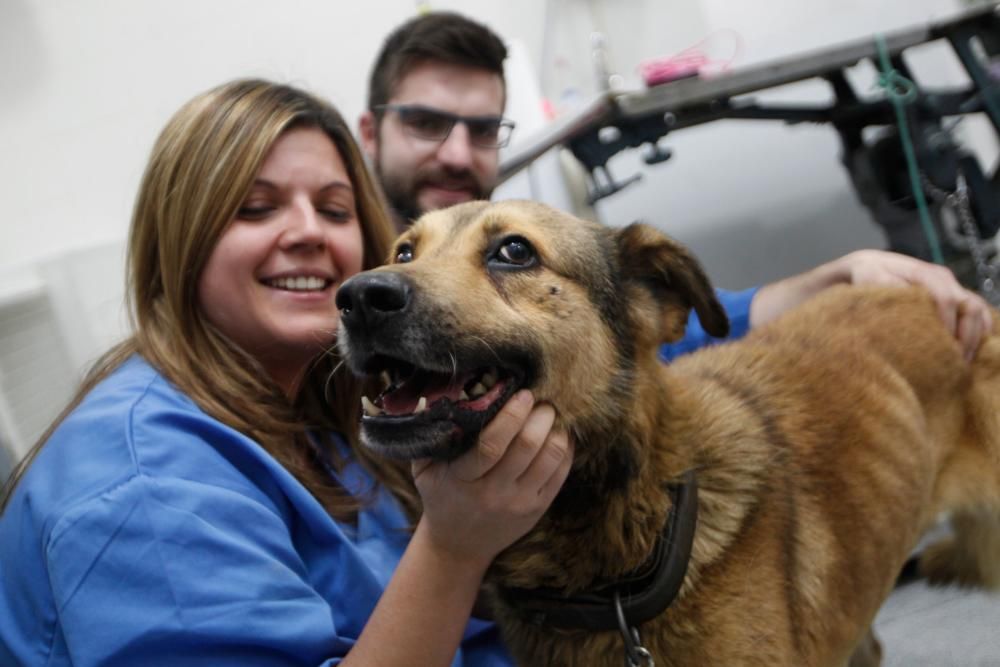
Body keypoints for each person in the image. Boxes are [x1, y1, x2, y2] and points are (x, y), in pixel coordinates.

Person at [0, 79, 572, 666]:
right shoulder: (143, 490)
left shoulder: (335, 417)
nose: (308, 232)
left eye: (334, 210)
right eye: (256, 208)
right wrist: (453, 547)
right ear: (181, 240)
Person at [358, 11, 994, 360]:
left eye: (483, 129)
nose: (456, 154)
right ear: (369, 133)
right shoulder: (344, 289)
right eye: (424, 124)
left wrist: (843, 273)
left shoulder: (550, 283)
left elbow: (695, 324)